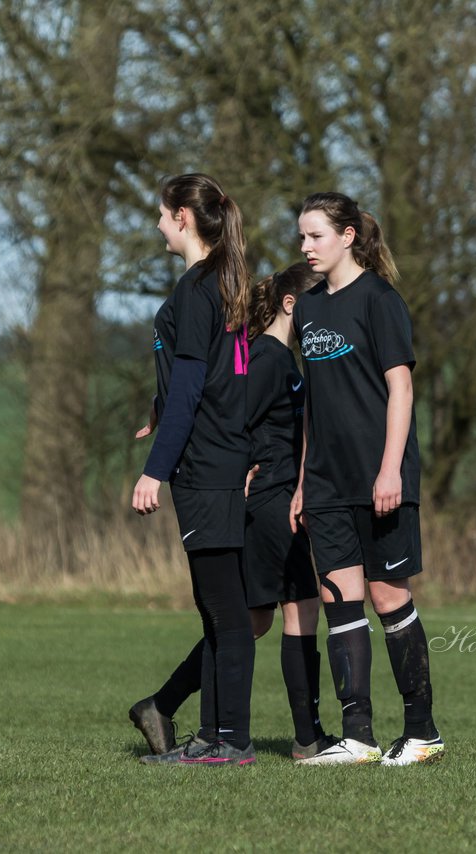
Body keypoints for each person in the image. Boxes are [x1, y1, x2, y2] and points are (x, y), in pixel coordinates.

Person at [129, 262, 334, 761]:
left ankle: (165, 705)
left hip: (280, 499)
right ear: (292, 305)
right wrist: (243, 466)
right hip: (268, 503)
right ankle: (297, 737)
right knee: (270, 616)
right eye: (320, 303)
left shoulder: (282, 359)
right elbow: (226, 413)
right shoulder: (266, 357)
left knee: (257, 620)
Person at [289, 192, 444, 766]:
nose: (305, 248)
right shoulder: (306, 309)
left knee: (387, 596)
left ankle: (422, 732)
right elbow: (313, 405)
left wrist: (389, 469)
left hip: (382, 477)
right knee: (341, 601)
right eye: (302, 237)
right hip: (326, 481)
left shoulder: (380, 300)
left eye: (316, 236)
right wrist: (305, 479)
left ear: (348, 236)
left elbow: (400, 388)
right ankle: (357, 738)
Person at [131, 173, 256, 767]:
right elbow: (213, 381)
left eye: (160, 214)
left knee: (227, 613)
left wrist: (155, 470)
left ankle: (230, 740)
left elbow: (189, 392)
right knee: (216, 610)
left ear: (183, 217)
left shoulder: (195, 290)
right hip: (220, 458)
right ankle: (210, 738)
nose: (156, 224)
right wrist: (159, 411)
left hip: (205, 467)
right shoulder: (220, 284)